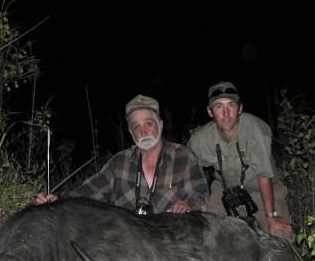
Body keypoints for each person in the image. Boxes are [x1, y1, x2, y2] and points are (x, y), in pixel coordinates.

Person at [36, 94, 209, 214]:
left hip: (169, 240)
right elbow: (89, 191)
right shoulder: (119, 162)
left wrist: (188, 205)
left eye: (149, 124)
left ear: (160, 124)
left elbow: (200, 195)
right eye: (136, 126)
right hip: (126, 244)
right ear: (131, 132)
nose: (143, 131)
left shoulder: (183, 156)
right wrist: (58, 200)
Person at [188, 81, 293, 238]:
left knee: (279, 234)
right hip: (224, 190)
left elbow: (264, 175)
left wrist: (271, 217)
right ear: (210, 112)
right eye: (219, 106)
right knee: (213, 237)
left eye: (231, 105)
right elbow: (186, 167)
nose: (226, 113)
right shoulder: (200, 139)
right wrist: (190, 202)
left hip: (262, 188)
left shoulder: (256, 129)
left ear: (240, 108)